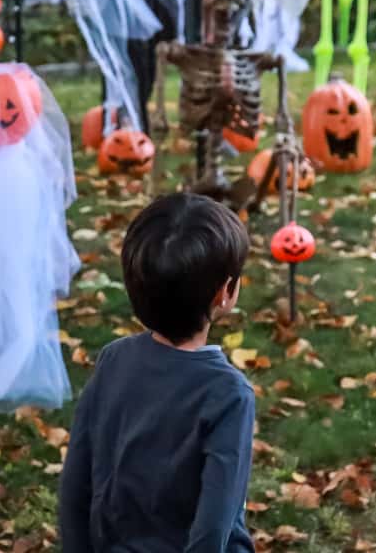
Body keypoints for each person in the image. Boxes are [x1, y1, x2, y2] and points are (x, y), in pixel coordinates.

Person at [58, 193, 255, 553]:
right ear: (225, 293)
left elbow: (75, 486)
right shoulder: (228, 394)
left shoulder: (113, 360)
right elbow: (213, 527)